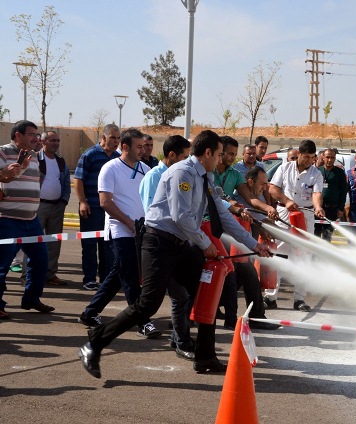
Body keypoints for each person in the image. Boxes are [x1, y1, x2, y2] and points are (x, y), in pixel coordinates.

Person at [78, 130, 272, 379]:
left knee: (206, 290)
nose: (222, 159)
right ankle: (94, 343)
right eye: (220, 154)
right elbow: (180, 216)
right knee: (148, 304)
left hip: (181, 243)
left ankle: (205, 357)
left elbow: (222, 215)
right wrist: (204, 244)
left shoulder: (206, 177)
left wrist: (252, 244)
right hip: (159, 242)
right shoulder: (183, 173)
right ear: (208, 153)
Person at [78, 128, 161, 339]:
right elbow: (105, 202)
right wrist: (129, 223)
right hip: (119, 231)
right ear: (125, 147)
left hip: (141, 231)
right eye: (139, 146)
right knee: (131, 276)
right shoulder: (110, 168)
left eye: (144, 146)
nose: (143, 150)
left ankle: (90, 313)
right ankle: (142, 321)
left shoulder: (145, 168)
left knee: (118, 275)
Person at [214, 136, 279, 330]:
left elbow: (250, 199)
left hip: (229, 228)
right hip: (209, 228)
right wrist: (230, 204)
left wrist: (266, 207)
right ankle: (223, 316)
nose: (232, 158)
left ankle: (257, 316)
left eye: (234, 154)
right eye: (229, 154)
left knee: (246, 271)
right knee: (227, 273)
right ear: (220, 152)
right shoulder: (208, 172)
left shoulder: (234, 174)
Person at [138, 135, 194, 359]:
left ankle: (179, 339)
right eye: (184, 157)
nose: (187, 161)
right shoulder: (155, 176)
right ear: (171, 155)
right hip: (159, 244)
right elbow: (153, 212)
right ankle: (181, 340)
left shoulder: (179, 174)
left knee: (181, 295)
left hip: (175, 244)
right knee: (155, 300)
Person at [0, 120, 55, 319]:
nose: (36, 138)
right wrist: (8, 173)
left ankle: (31, 298)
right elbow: (3, 177)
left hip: (32, 221)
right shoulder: (3, 152)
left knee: (41, 260)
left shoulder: (33, 156)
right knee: (2, 264)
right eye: (32, 134)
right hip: (7, 220)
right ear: (18, 135)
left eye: (37, 134)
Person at [268, 139, 325, 311]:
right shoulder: (284, 168)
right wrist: (286, 201)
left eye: (312, 157)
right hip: (285, 214)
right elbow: (273, 189)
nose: (309, 160)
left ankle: (299, 299)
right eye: (306, 156)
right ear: (298, 154)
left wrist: (318, 207)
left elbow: (316, 193)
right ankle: (270, 296)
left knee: (303, 256)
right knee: (278, 253)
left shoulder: (316, 174)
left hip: (305, 215)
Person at [75, 124, 120, 290]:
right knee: (89, 245)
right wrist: (82, 201)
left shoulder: (117, 158)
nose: (116, 141)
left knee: (107, 245)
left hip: (109, 210)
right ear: (103, 138)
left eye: (118, 138)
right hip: (91, 208)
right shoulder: (90, 155)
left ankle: (106, 278)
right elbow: (78, 179)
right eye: (112, 138)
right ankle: (89, 279)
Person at [36, 130, 71, 286]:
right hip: (38, 207)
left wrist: (63, 201)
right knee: (33, 242)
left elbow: (66, 183)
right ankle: (29, 276)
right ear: (43, 142)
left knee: (54, 242)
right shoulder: (34, 159)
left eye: (58, 141)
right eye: (52, 140)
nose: (56, 143)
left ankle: (50, 274)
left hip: (57, 207)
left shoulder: (60, 161)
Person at [314, 148, 347, 241]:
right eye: (327, 157)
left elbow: (343, 191)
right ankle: (313, 255)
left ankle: (325, 254)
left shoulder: (339, 173)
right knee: (316, 233)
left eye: (332, 157)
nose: (329, 160)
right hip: (318, 208)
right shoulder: (317, 171)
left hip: (332, 209)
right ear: (323, 157)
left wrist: (340, 208)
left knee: (327, 234)